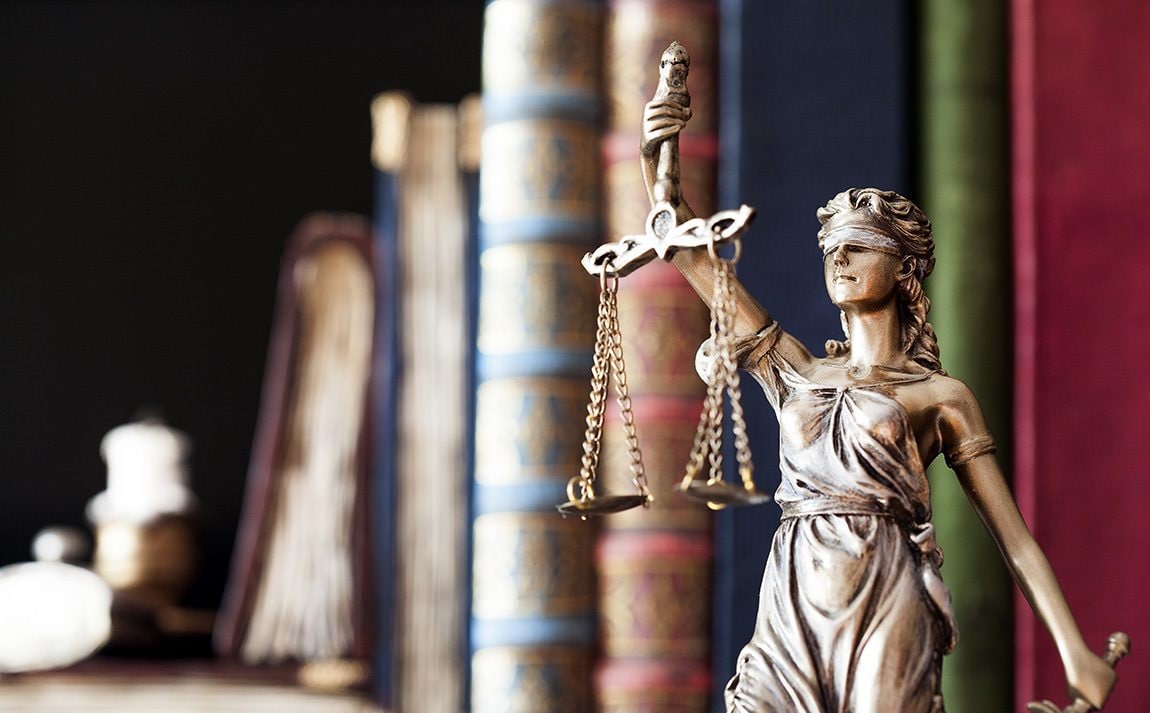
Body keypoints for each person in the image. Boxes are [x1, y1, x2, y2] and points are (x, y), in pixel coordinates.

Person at [641, 97, 1117, 712]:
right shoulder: (795, 368)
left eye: (860, 246)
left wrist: (1075, 652)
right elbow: (686, 249)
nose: (838, 258)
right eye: (831, 248)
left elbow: (1014, 540)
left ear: (904, 269)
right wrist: (660, 159)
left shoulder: (941, 397)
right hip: (792, 595)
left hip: (886, 590)